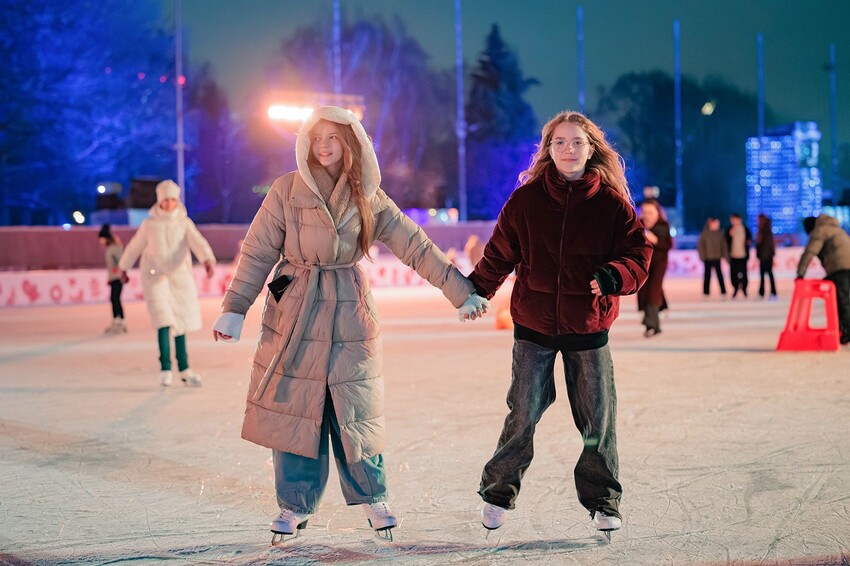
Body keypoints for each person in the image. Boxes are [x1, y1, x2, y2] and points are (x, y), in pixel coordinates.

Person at [211, 106, 489, 543]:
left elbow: (415, 246)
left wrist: (461, 292)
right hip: (295, 307)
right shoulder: (286, 190)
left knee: (354, 404)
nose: (324, 146)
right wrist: (234, 308)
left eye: (333, 138)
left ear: (351, 142)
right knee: (296, 404)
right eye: (316, 137)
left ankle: (374, 497)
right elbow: (258, 251)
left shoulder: (368, 195)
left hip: (349, 307)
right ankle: (293, 503)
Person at [466, 110, 651, 537]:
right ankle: (498, 493)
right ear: (548, 149)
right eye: (560, 142)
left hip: (588, 326)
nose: (569, 149)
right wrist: (475, 291)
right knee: (523, 412)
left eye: (577, 142)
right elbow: (499, 254)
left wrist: (614, 276)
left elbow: (638, 256)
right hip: (534, 326)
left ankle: (602, 501)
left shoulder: (611, 205)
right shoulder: (526, 201)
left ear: (591, 149)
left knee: (597, 419)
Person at [118, 180, 216, 387]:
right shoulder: (149, 225)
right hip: (156, 279)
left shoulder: (184, 223)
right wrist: (123, 267)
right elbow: (135, 246)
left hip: (180, 279)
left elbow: (198, 242)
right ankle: (165, 368)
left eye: (173, 200)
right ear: (159, 201)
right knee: (163, 321)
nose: (169, 204)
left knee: (180, 323)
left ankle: (184, 368)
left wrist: (207, 260)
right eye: (166, 200)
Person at [797, 214, 850, 345]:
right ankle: (844, 331)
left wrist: (800, 274)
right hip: (845, 266)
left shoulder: (820, 230)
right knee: (841, 299)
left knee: (842, 301)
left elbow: (810, 252)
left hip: (840, 268)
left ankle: (847, 332)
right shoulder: (836, 229)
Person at [637, 198, 673, 336]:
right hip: (643, 264)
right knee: (644, 290)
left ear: (657, 213)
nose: (647, 215)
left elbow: (668, 245)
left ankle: (650, 323)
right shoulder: (638, 225)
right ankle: (654, 325)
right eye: (644, 212)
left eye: (650, 212)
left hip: (659, 264)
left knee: (653, 290)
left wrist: (656, 240)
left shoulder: (663, 226)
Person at [98, 224, 128, 334]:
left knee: (115, 298)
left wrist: (122, 272)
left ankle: (121, 321)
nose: (101, 241)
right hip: (114, 277)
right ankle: (116, 320)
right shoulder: (110, 248)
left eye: (102, 239)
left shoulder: (114, 248)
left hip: (118, 277)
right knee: (114, 299)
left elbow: (120, 261)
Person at [697, 217, 728, 299]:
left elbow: (723, 246)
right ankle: (706, 292)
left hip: (717, 257)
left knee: (719, 275)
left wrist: (725, 256)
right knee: (707, 275)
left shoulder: (720, 234)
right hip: (707, 258)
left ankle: (723, 291)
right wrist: (702, 256)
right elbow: (700, 246)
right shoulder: (705, 234)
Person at [726, 213, 752, 298]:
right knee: (733, 274)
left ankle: (744, 288)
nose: (733, 221)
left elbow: (750, 240)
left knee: (744, 273)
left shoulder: (745, 229)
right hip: (733, 256)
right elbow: (725, 242)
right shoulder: (729, 229)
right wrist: (729, 236)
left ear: (739, 219)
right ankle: (735, 288)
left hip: (743, 255)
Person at [756, 213, 777, 300]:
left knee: (768, 274)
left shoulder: (766, 231)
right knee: (764, 274)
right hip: (764, 256)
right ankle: (763, 292)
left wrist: (764, 256)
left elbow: (768, 246)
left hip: (766, 257)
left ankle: (772, 291)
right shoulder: (762, 230)